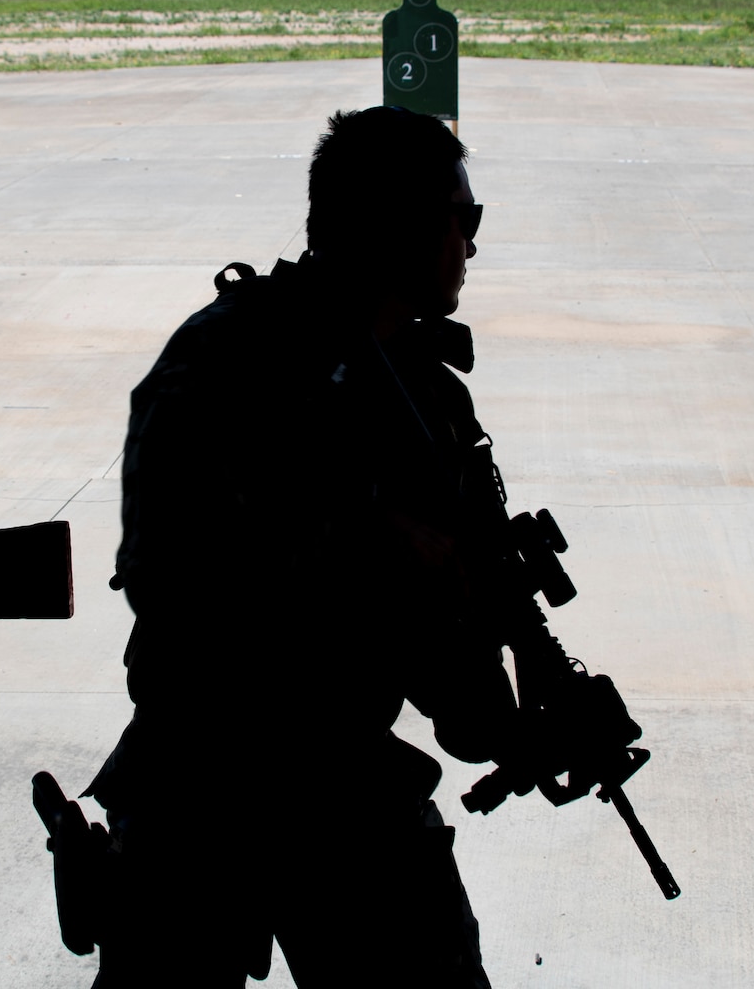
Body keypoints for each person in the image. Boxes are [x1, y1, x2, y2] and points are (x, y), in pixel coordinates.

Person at [88, 106, 516, 988]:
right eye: (460, 219)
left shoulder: (424, 390)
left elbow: (446, 622)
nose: (471, 246)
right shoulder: (228, 358)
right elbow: (169, 565)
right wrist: (377, 537)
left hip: (344, 778)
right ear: (399, 227)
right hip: (204, 780)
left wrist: (505, 698)